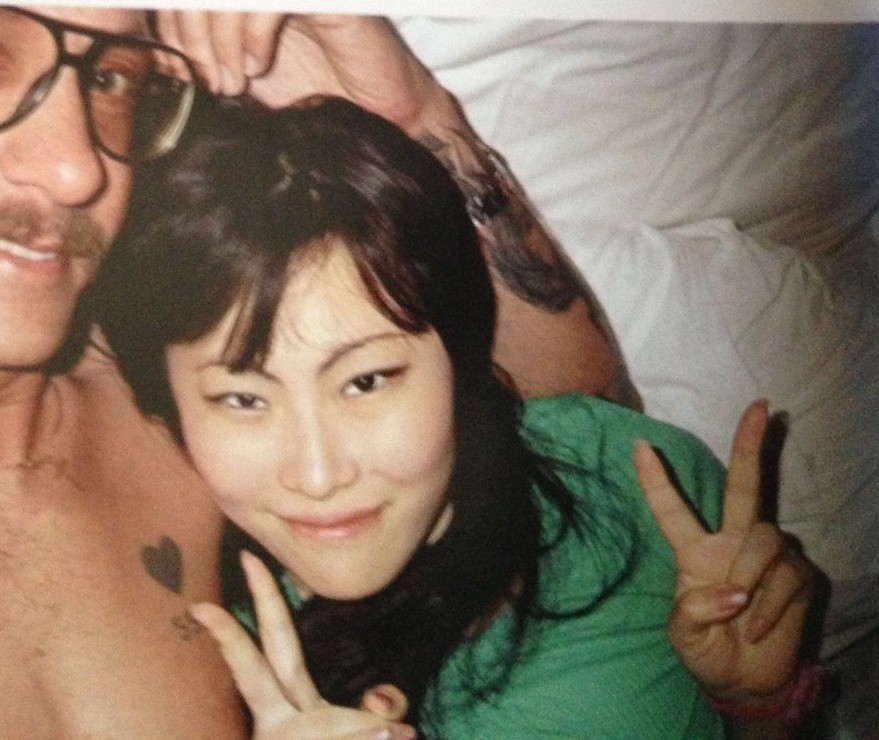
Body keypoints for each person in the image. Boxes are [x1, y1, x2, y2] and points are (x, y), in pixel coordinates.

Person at [0, 3, 629, 737]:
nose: (75, 169)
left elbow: (575, 412)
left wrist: (408, 113)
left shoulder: (161, 389)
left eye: (111, 79)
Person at [93, 96, 818, 738]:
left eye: (367, 381)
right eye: (244, 400)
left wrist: (753, 704)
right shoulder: (183, 657)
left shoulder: (636, 486)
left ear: (458, 356)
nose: (317, 474)